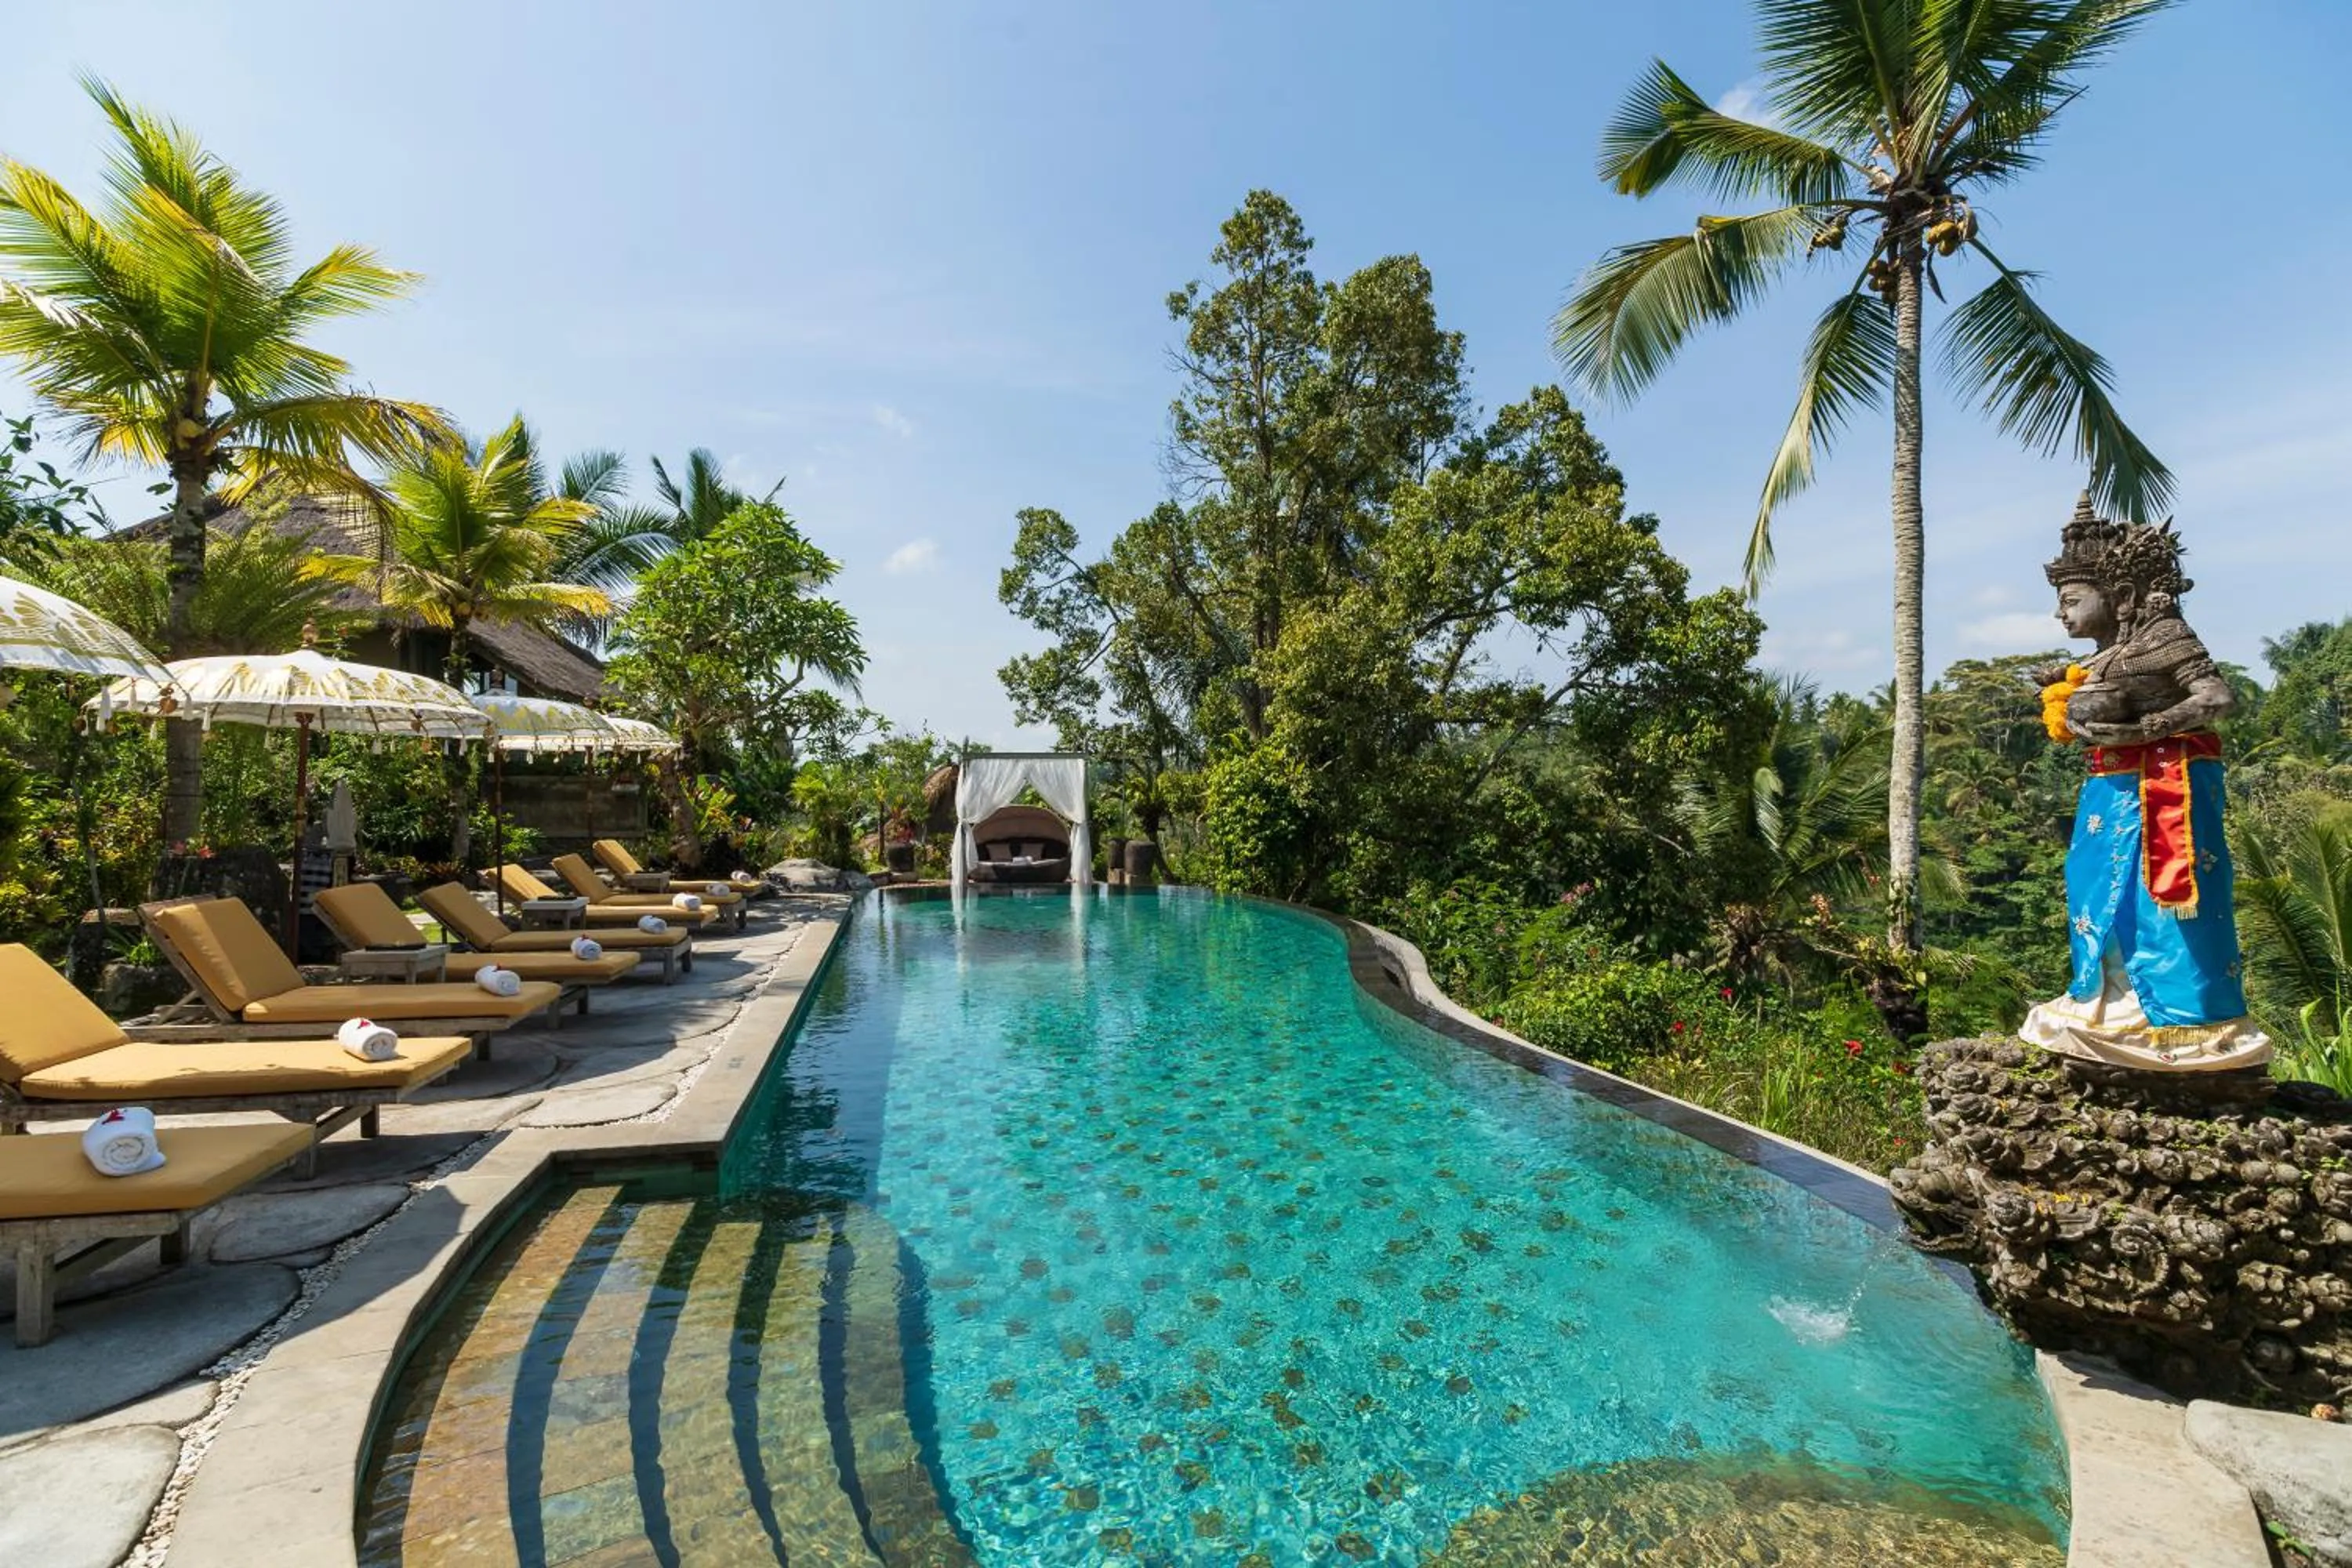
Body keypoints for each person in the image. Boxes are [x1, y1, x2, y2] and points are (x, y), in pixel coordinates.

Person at [2018, 495, 2270, 1071]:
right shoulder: (2111, 654)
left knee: (2165, 896)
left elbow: (2216, 698)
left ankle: (2180, 1020)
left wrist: (2147, 728)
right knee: (2096, 888)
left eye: (2072, 599)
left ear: (2122, 596)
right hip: (2111, 788)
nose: (2061, 613)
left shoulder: (2161, 634)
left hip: (2164, 785)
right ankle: (2105, 998)